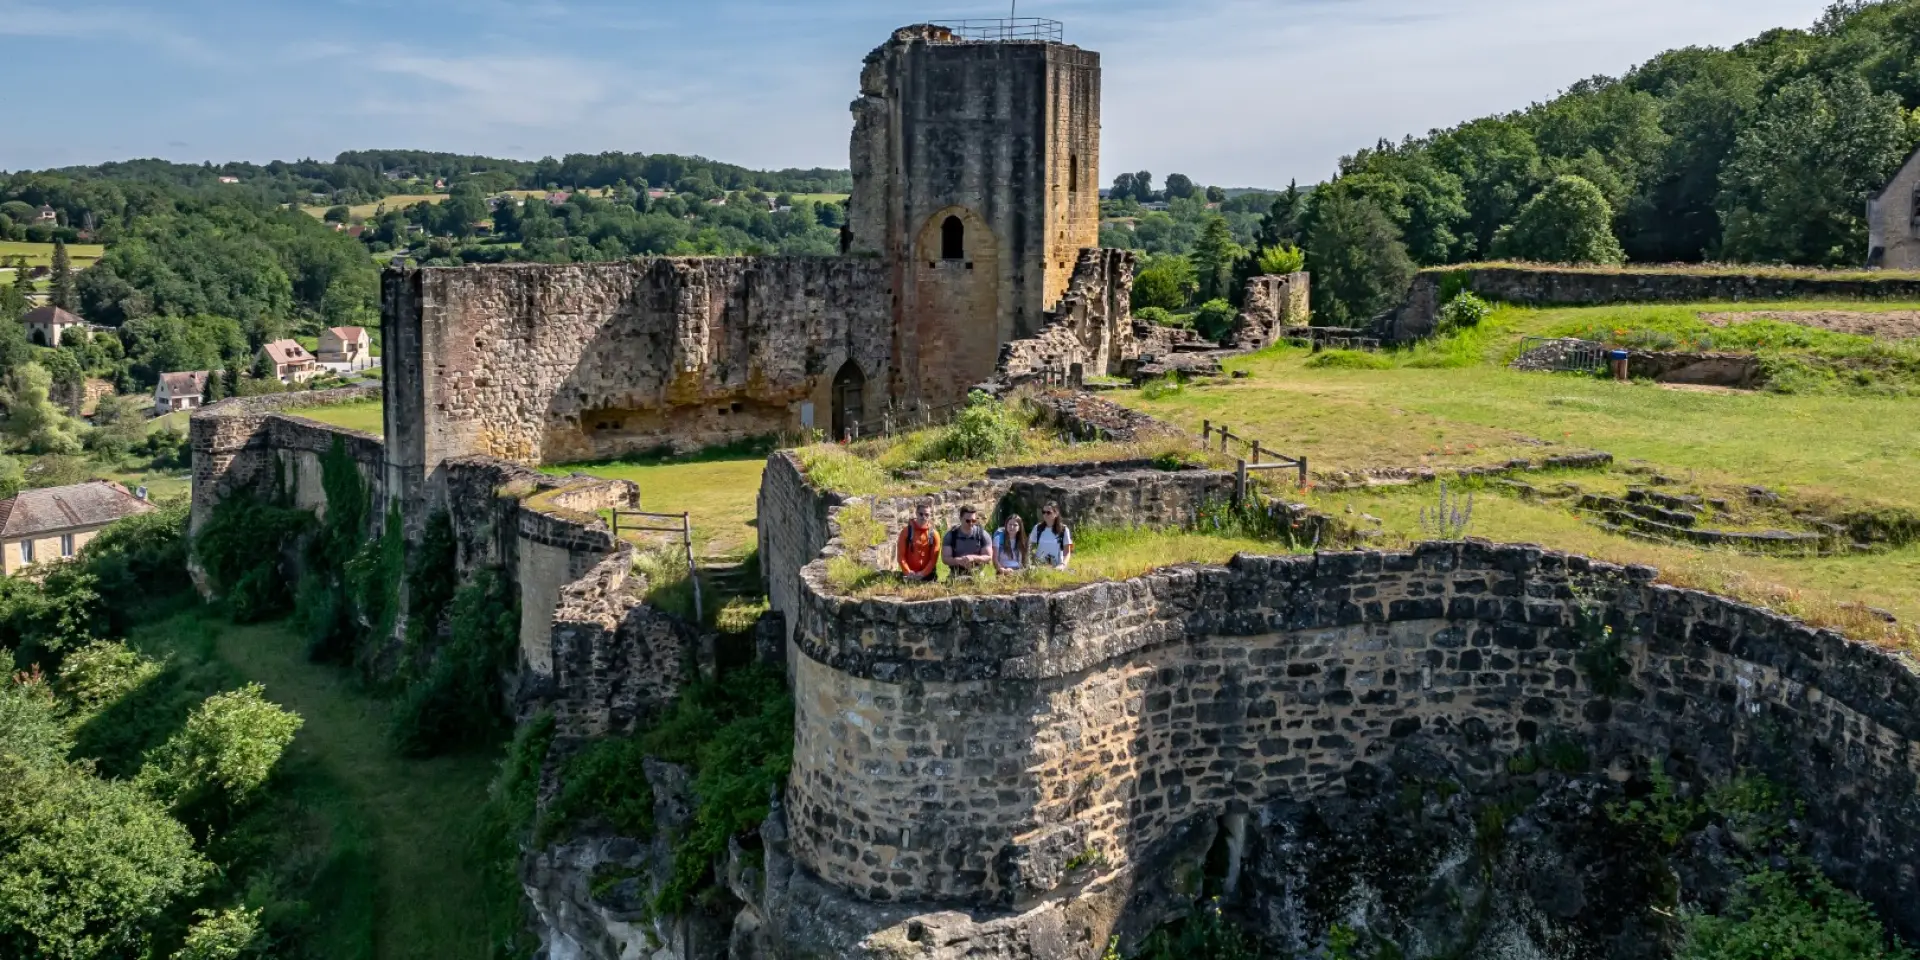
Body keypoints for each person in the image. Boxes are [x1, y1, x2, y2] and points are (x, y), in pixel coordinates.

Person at [942, 504, 995, 578]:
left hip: (977, 573)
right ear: (960, 518)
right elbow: (945, 559)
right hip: (956, 573)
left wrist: (974, 558)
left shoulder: (982, 534)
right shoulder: (951, 535)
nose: (971, 523)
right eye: (967, 521)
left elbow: (988, 557)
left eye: (973, 521)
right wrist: (959, 561)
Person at [896, 500, 940, 582]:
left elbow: (933, 560)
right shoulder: (906, 532)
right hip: (909, 574)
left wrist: (923, 573)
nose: (923, 517)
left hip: (928, 575)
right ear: (916, 513)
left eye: (927, 515)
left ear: (930, 516)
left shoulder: (934, 534)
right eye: (921, 514)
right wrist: (908, 572)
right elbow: (900, 556)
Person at [1033, 501, 1073, 569]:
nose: (1045, 514)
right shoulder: (1037, 528)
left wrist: (1063, 565)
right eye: (1043, 512)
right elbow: (1029, 547)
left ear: (1056, 513)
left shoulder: (1064, 529)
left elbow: (1067, 552)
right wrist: (1032, 562)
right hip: (1039, 568)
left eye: (1048, 512)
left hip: (1056, 568)